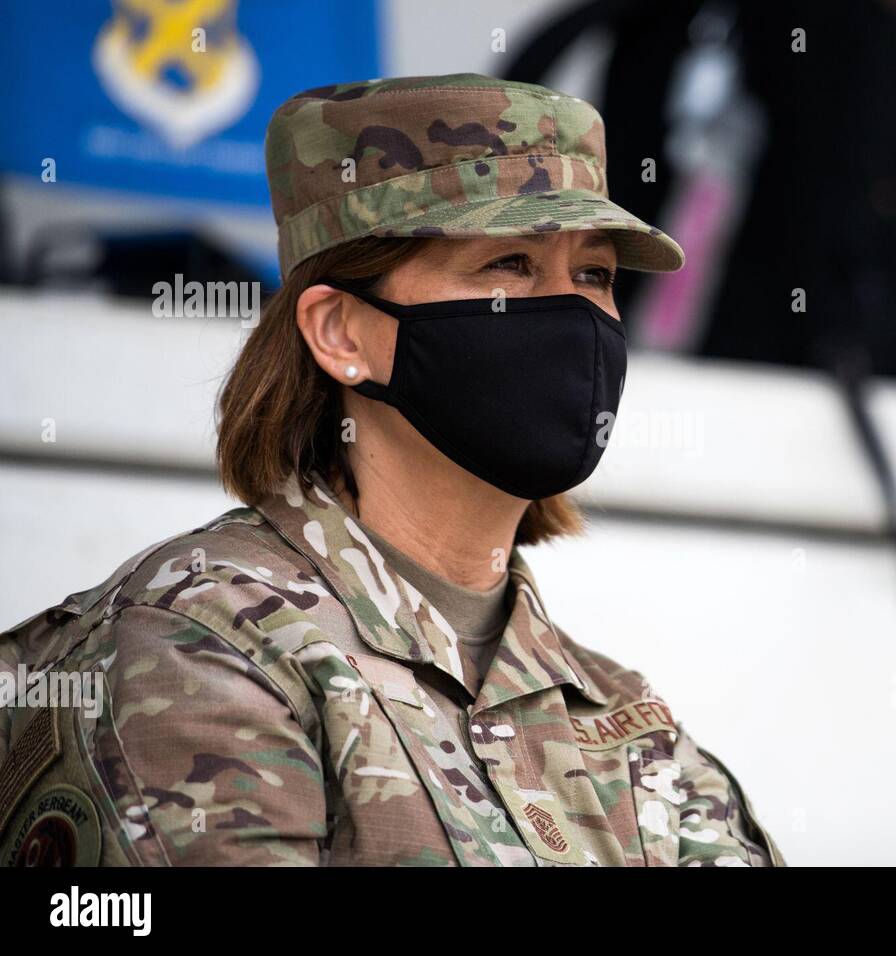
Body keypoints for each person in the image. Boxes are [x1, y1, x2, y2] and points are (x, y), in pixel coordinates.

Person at [0, 74, 784, 867]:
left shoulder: (625, 718)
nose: (574, 316)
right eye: (509, 263)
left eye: (595, 275)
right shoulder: (199, 646)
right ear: (342, 332)